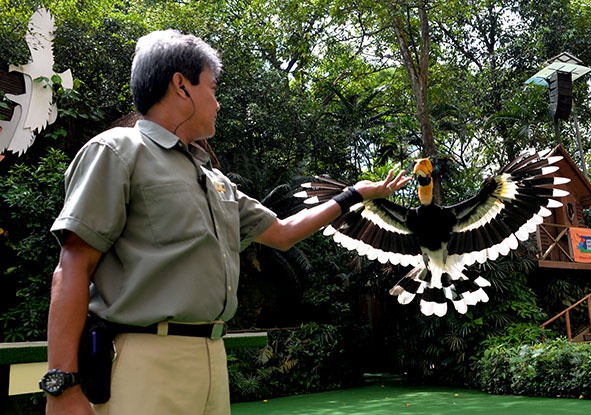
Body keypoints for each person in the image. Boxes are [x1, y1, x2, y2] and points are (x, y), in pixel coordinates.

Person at [43, 29, 410, 415]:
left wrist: (355, 194)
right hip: (144, 360)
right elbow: (72, 267)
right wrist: (62, 385)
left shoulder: (215, 180)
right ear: (181, 86)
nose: (218, 104)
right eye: (213, 89)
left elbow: (283, 233)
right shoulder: (117, 151)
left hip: (213, 358)